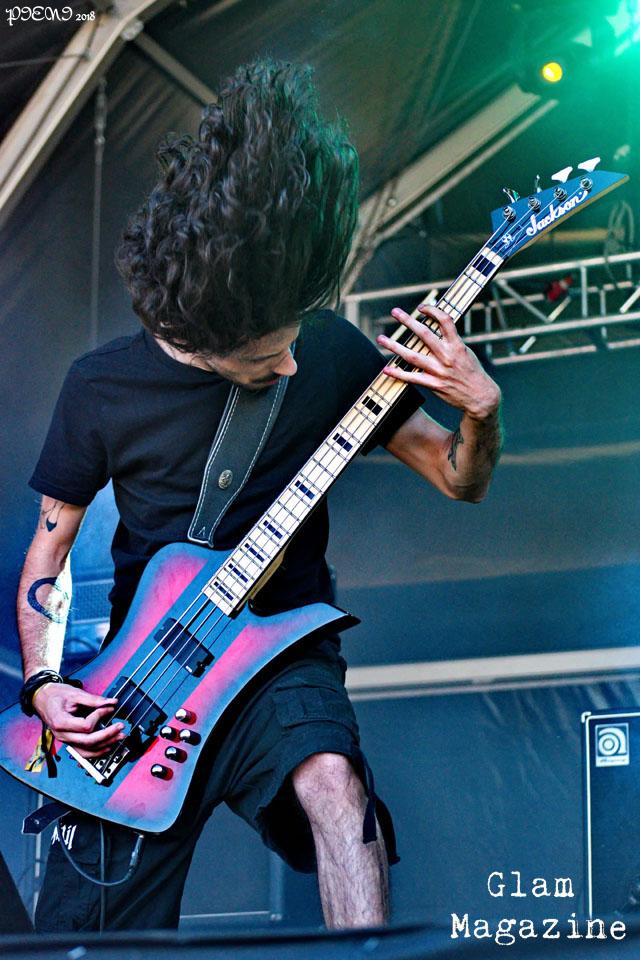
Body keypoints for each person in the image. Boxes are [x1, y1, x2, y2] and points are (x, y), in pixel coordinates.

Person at [17, 58, 502, 933]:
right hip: (145, 678)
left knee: (335, 784)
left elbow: (457, 479)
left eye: (291, 345)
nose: (288, 366)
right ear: (199, 342)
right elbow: (47, 554)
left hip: (280, 649)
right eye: (262, 358)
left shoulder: (330, 351)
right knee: (89, 926)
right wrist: (46, 686)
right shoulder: (100, 388)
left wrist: (482, 412)